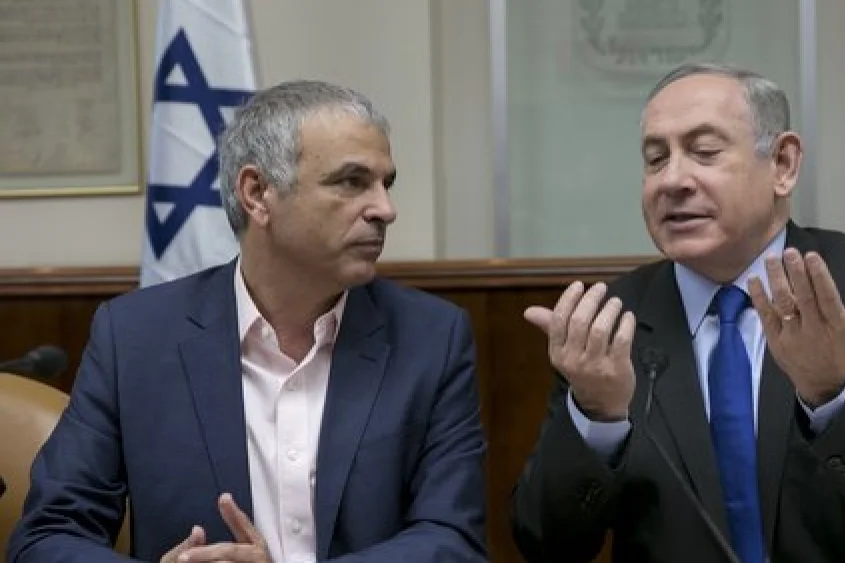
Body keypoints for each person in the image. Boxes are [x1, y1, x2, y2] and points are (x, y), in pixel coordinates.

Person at [509, 63, 845, 563]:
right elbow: (545, 543)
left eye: (704, 152)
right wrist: (597, 417)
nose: (673, 180)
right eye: (654, 158)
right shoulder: (608, 323)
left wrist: (834, 393)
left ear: (783, 164)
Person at [8, 80, 488, 563]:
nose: (385, 209)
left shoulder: (431, 339)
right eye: (352, 182)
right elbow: (48, 536)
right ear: (257, 193)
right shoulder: (136, 338)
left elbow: (453, 541)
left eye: (387, 183)